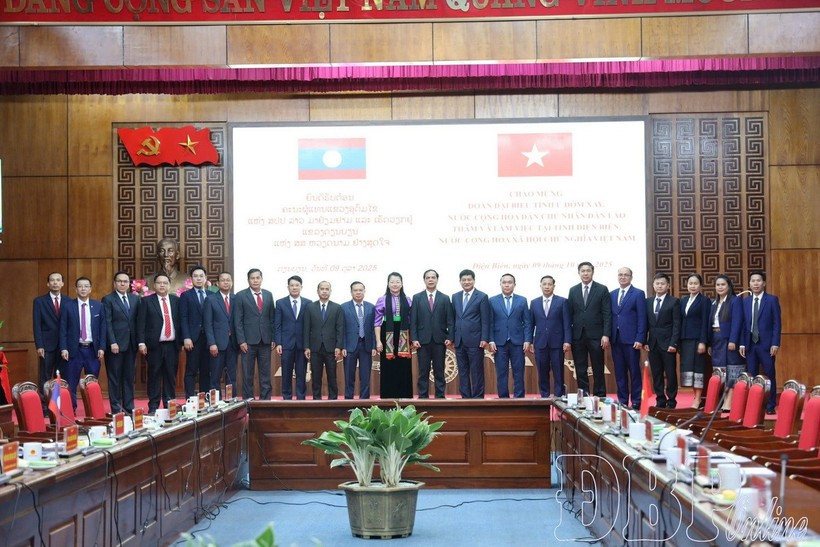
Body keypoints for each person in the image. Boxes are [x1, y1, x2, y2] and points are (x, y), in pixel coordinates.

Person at [733, 271, 781, 414]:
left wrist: (775, 343)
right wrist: (741, 343)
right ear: (749, 284)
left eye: (758, 281)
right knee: (751, 375)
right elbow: (742, 324)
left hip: (767, 345)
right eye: (753, 281)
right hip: (749, 345)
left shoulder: (772, 300)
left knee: (769, 373)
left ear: (764, 283)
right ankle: (753, 405)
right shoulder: (744, 301)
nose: (755, 283)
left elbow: (776, 323)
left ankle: (771, 404)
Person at [137, 273, 182, 413]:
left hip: (172, 345)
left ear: (169, 285)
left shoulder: (176, 301)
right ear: (154, 285)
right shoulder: (146, 301)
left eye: (165, 283)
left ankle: (170, 406)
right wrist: (141, 343)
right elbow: (141, 324)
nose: (162, 285)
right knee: (154, 376)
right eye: (159, 283)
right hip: (154, 346)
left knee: (170, 376)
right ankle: (154, 406)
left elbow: (180, 322)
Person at [59, 277, 106, 410]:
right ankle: (71, 409)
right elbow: (62, 329)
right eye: (80, 286)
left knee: (92, 383)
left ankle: (92, 411)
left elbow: (103, 328)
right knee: (71, 382)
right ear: (76, 289)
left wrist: (102, 347)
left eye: (86, 286)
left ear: (90, 289)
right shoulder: (68, 306)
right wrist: (64, 348)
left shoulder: (98, 306)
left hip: (92, 350)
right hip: (74, 350)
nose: (83, 289)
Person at [567, 262, 611, 397]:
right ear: (579, 273)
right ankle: (584, 397)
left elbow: (607, 313)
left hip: (596, 335)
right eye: (583, 271)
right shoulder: (573, 290)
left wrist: (606, 334)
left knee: (598, 368)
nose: (585, 273)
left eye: (588, 271)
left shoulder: (602, 289)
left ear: (593, 272)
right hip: (578, 336)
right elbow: (570, 314)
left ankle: (600, 395)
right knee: (580, 369)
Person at [411, 269, 454, 399]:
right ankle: (423, 397)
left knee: (439, 371)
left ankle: (440, 397)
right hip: (422, 341)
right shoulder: (417, 298)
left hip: (439, 341)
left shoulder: (445, 298)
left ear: (437, 279)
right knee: (423, 372)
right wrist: (414, 338)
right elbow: (413, 321)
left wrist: (450, 337)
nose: (430, 280)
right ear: (424, 280)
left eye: (433, 277)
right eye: (428, 277)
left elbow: (450, 321)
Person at [102, 271, 141, 414]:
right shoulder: (108, 299)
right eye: (120, 281)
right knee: (115, 378)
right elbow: (107, 323)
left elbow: (137, 321)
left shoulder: (135, 299)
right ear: (114, 283)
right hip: (115, 345)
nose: (123, 284)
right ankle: (116, 408)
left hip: (131, 344)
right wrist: (112, 342)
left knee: (129, 377)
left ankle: (129, 407)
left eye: (125, 281)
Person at [233, 268, 275, 400]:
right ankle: (248, 401)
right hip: (248, 342)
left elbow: (272, 318)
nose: (255, 280)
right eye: (253, 278)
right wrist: (241, 341)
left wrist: (273, 338)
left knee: (265, 374)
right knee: (247, 374)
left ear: (261, 279)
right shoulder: (240, 295)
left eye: (258, 278)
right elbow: (237, 320)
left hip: (265, 340)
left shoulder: (268, 294)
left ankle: (265, 401)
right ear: (248, 280)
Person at [609, 267, 647, 409]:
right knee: (619, 371)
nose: (623, 277)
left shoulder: (638, 293)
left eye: (626, 275)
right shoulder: (612, 294)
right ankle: (623, 400)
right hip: (616, 339)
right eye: (620, 275)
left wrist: (640, 338)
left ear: (631, 277)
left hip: (632, 340)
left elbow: (642, 318)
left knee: (634, 371)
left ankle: (637, 400)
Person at [489, 273, 532, 398]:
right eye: (504, 282)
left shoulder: (522, 300)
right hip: (499, 343)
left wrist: (527, 339)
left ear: (514, 284)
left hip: (518, 342)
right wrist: (491, 340)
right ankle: (503, 398)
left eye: (510, 282)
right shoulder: (492, 300)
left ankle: (519, 398)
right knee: (501, 373)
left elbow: (527, 322)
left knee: (518, 372)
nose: (507, 285)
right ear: (500, 284)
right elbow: (490, 322)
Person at [529, 275, 571, 398]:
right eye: (544, 284)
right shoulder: (534, 302)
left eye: (549, 284)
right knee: (542, 372)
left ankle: (559, 397)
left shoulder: (562, 301)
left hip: (557, 343)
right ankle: (544, 397)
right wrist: (530, 341)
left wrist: (567, 340)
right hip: (540, 343)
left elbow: (567, 323)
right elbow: (531, 324)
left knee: (558, 372)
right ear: (540, 286)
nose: (547, 286)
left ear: (554, 286)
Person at [451, 269, 490, 399]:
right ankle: (465, 398)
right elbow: (453, 318)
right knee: (462, 372)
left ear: (474, 280)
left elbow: (485, 320)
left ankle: (478, 398)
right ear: (460, 281)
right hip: (459, 340)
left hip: (476, 340)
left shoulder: (482, 296)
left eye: (469, 280)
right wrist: (451, 337)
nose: (466, 282)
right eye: (464, 280)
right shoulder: (455, 296)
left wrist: (484, 338)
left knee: (476, 372)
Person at [644, 273, 681, 409]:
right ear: (653, 285)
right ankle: (660, 399)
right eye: (657, 283)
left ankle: (671, 401)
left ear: (668, 286)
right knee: (656, 373)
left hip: (668, 344)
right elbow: (645, 323)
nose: (660, 286)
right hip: (652, 343)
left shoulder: (674, 301)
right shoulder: (648, 301)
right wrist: (645, 341)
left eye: (662, 284)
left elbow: (677, 324)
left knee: (670, 373)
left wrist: (674, 343)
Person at [303, 281, 344, 400]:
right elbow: (306, 328)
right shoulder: (310, 307)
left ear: (330, 291)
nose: (324, 291)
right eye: (322, 289)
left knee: (332, 376)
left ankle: (333, 400)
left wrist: (338, 346)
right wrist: (306, 346)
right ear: (318, 291)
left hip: (331, 348)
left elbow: (340, 329)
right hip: (315, 348)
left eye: (327, 289)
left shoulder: (337, 307)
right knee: (316, 377)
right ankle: (316, 400)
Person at [375, 272, 413, 399]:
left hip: (404, 335)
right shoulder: (381, 300)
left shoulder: (408, 300)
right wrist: (378, 341)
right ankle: (387, 397)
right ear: (388, 284)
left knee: (404, 367)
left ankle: (405, 397)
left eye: (397, 282)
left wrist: (412, 339)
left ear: (402, 284)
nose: (395, 284)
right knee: (388, 366)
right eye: (392, 282)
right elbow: (377, 322)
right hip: (387, 334)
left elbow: (411, 320)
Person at [33, 272, 66, 411]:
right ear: (48, 284)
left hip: (64, 346)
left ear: (62, 284)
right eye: (52, 280)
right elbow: (37, 324)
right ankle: (45, 407)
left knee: (61, 377)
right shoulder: (39, 301)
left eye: (58, 280)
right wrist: (39, 345)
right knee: (45, 378)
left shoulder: (69, 301)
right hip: (46, 345)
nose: (55, 283)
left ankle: (58, 405)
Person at [274, 275, 311, 400]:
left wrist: (308, 346)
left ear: (301, 287)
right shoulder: (280, 303)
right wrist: (278, 343)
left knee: (301, 374)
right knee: (286, 374)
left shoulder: (308, 303)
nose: (294, 288)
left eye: (297, 285)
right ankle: (287, 398)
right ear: (288, 287)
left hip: (302, 345)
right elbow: (277, 325)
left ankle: (301, 399)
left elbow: (309, 326)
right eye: (292, 285)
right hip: (286, 344)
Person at [709, 274, 742, 410]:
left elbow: (737, 322)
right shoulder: (714, 303)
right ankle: (723, 400)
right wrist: (709, 343)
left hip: (728, 339)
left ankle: (730, 402)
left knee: (731, 371)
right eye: (718, 285)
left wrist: (733, 340)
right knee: (720, 371)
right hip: (716, 339)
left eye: (723, 284)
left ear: (729, 286)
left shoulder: (735, 301)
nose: (720, 287)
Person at [679, 273, 711, 408]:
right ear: (687, 285)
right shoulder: (683, 300)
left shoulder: (704, 301)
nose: (693, 286)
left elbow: (706, 322)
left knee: (698, 369)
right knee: (689, 370)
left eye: (695, 283)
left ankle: (698, 399)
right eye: (690, 283)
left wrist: (703, 341)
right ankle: (695, 396)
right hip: (685, 340)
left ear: (700, 285)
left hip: (698, 340)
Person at [341, 282, 377, 399]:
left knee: (365, 376)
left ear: (364, 291)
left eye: (360, 290)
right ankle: (348, 399)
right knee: (349, 375)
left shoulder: (371, 307)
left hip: (366, 345)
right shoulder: (344, 307)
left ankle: (364, 400)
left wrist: (373, 346)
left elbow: (373, 328)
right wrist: (343, 346)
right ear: (351, 292)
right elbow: (342, 329)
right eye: (355, 290)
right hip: (350, 346)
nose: (358, 292)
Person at [203, 272, 237, 395]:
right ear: (217, 283)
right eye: (223, 280)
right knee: (215, 377)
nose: (226, 282)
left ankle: (231, 402)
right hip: (217, 344)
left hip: (233, 344)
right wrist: (212, 343)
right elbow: (208, 323)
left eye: (228, 280)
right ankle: (216, 403)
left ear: (232, 282)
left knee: (232, 377)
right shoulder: (210, 299)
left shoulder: (236, 299)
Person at [180, 265, 211, 397]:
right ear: (191, 279)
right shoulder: (186, 295)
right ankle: (190, 399)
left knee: (206, 370)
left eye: (201, 276)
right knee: (191, 370)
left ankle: (205, 399)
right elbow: (183, 317)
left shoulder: (212, 295)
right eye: (195, 276)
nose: (198, 279)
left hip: (209, 339)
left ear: (205, 278)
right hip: (193, 338)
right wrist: (186, 337)